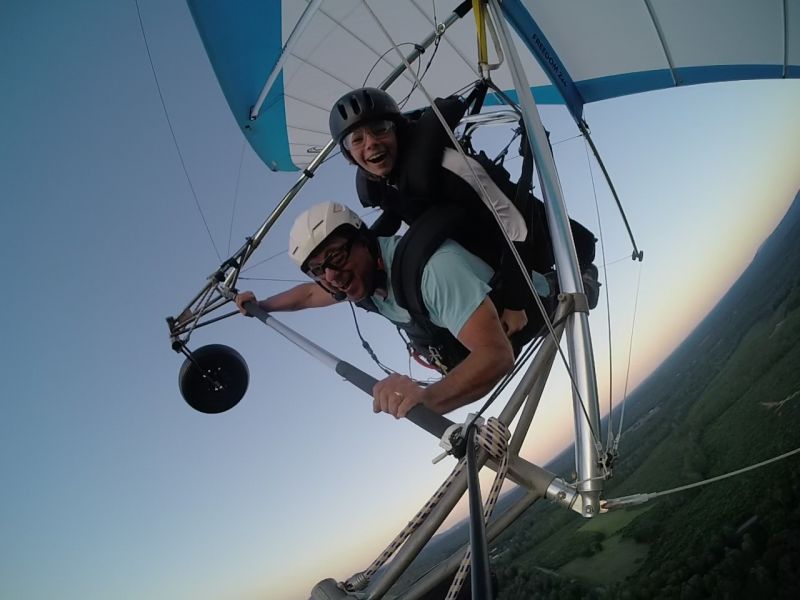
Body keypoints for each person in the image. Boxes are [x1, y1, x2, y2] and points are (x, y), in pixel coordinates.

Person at [328, 87, 599, 337]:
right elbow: (397, 211)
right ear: (350, 155)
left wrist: (516, 303)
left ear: (397, 131)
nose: (371, 143)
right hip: (480, 250)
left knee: (529, 317)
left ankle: (575, 279)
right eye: (357, 140)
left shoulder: (449, 165)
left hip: (531, 243)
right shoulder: (387, 183)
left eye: (380, 129)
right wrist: (348, 256)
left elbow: (517, 224)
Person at [235, 202, 519, 419]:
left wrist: (426, 399)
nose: (331, 276)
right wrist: (261, 306)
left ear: (364, 242)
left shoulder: (432, 271)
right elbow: (308, 295)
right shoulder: (359, 278)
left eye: (335, 256)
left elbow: (496, 355)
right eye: (318, 270)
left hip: (530, 323)